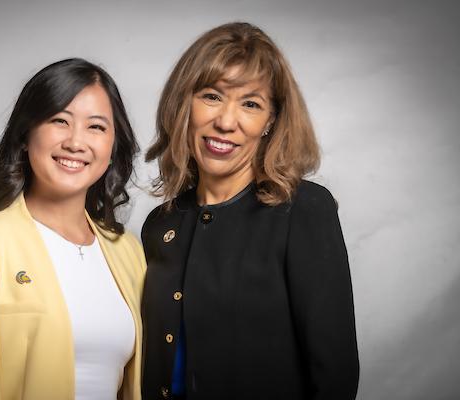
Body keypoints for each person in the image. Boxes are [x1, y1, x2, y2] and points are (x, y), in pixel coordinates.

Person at [141, 22, 359, 399]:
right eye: (211, 96)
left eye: (251, 104)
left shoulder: (303, 210)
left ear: (271, 120)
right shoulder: (160, 226)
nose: (226, 122)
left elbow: (334, 375)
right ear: (183, 103)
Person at [0, 58, 146, 400]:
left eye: (96, 127)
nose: (76, 142)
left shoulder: (128, 250)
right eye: (59, 120)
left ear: (113, 146)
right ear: (25, 135)